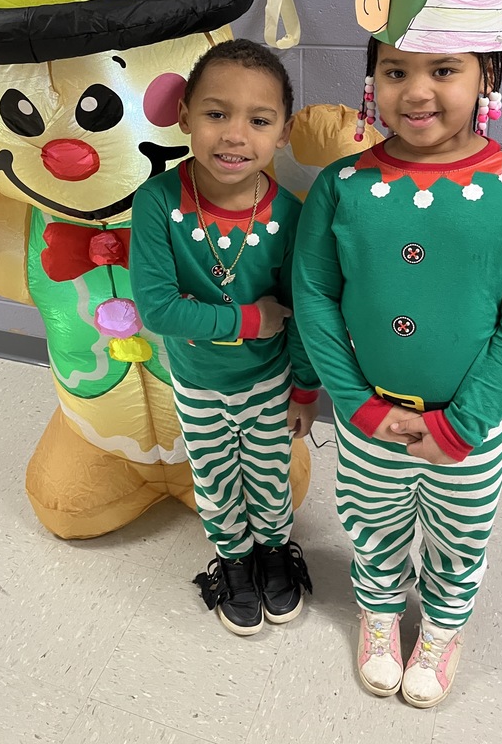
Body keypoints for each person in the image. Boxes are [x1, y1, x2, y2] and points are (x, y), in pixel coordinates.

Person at [293, 0, 502, 707]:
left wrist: (467, 420)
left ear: (486, 75)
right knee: (371, 525)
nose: (417, 91)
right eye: (396, 70)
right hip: (370, 412)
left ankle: (442, 629)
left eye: (444, 70)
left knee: (459, 535)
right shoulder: (342, 185)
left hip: (469, 426)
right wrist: (356, 405)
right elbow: (314, 297)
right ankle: (379, 613)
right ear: (370, 79)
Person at [130, 37, 319, 636]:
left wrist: (305, 390)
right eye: (216, 114)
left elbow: (304, 311)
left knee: (269, 474)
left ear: (282, 132)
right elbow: (158, 310)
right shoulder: (156, 202)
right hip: (197, 384)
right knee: (213, 478)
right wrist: (247, 320)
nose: (235, 135)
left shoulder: (290, 215)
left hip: (268, 382)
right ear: (184, 115)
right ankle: (233, 560)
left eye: (259, 120)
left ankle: (272, 551)